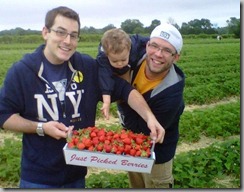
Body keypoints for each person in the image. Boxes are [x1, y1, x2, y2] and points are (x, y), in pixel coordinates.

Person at [0, 6, 165, 188]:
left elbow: (124, 90)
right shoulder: (22, 71)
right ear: (45, 32)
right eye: (61, 32)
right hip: (38, 177)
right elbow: (4, 116)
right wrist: (41, 127)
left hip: (76, 173)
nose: (67, 41)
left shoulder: (86, 66)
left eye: (74, 35)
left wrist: (149, 117)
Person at [99, 23, 185, 188]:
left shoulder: (171, 94)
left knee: (155, 184)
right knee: (136, 185)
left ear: (176, 57)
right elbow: (108, 44)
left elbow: (141, 130)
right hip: (131, 144)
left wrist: (123, 92)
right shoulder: (134, 55)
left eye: (167, 50)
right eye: (154, 46)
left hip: (156, 153)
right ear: (147, 45)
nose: (158, 54)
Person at [97, 28, 149, 120]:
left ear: (129, 49)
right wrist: (106, 102)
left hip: (133, 66)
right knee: (122, 93)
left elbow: (152, 41)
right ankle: (124, 114)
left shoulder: (135, 44)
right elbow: (105, 78)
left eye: (123, 59)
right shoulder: (103, 59)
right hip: (114, 73)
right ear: (107, 54)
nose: (120, 64)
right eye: (115, 60)